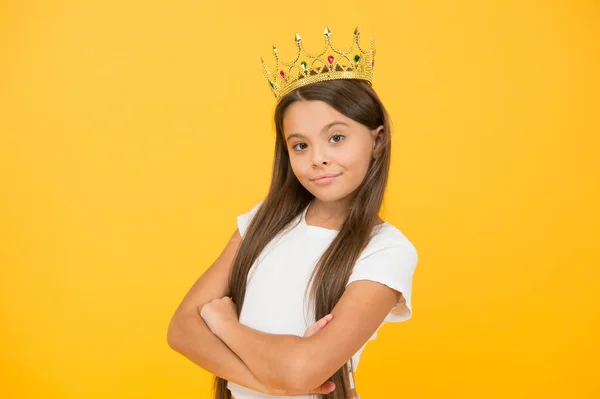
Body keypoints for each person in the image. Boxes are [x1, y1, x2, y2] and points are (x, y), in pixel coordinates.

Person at [167, 26, 418, 399]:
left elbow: (302, 371)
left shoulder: (386, 250)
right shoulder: (263, 221)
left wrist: (224, 323)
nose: (317, 158)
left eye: (336, 137)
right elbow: (181, 329)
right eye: (300, 145)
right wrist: (270, 379)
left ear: (377, 140)